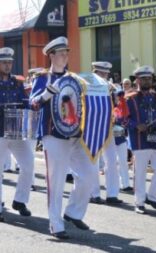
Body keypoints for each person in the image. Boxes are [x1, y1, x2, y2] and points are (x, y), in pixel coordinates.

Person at [30, 37, 99, 239]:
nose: (65, 56)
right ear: (51, 55)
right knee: (56, 181)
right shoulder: (43, 78)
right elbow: (33, 104)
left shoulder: (76, 79)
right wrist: (46, 94)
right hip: (53, 134)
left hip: (77, 135)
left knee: (89, 176)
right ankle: (56, 224)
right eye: (61, 53)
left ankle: (73, 212)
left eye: (66, 52)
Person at [126, 65, 156, 214]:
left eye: (149, 78)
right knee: (140, 172)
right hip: (139, 138)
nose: (146, 81)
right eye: (143, 78)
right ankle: (139, 202)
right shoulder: (129, 99)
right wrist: (136, 125)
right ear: (137, 80)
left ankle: (152, 196)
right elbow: (120, 118)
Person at [0, 47, 34, 222]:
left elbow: (26, 102)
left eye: (9, 62)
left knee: (28, 165)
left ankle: (20, 201)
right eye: (4, 62)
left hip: (15, 129)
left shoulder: (18, 82)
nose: (7, 65)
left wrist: (33, 107)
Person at [89, 61, 124, 205]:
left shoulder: (110, 88)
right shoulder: (89, 86)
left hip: (108, 127)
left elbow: (116, 106)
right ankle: (93, 193)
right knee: (93, 161)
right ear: (95, 72)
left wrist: (116, 96)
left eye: (106, 74)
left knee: (111, 161)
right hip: (93, 127)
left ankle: (112, 194)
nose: (105, 76)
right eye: (102, 73)